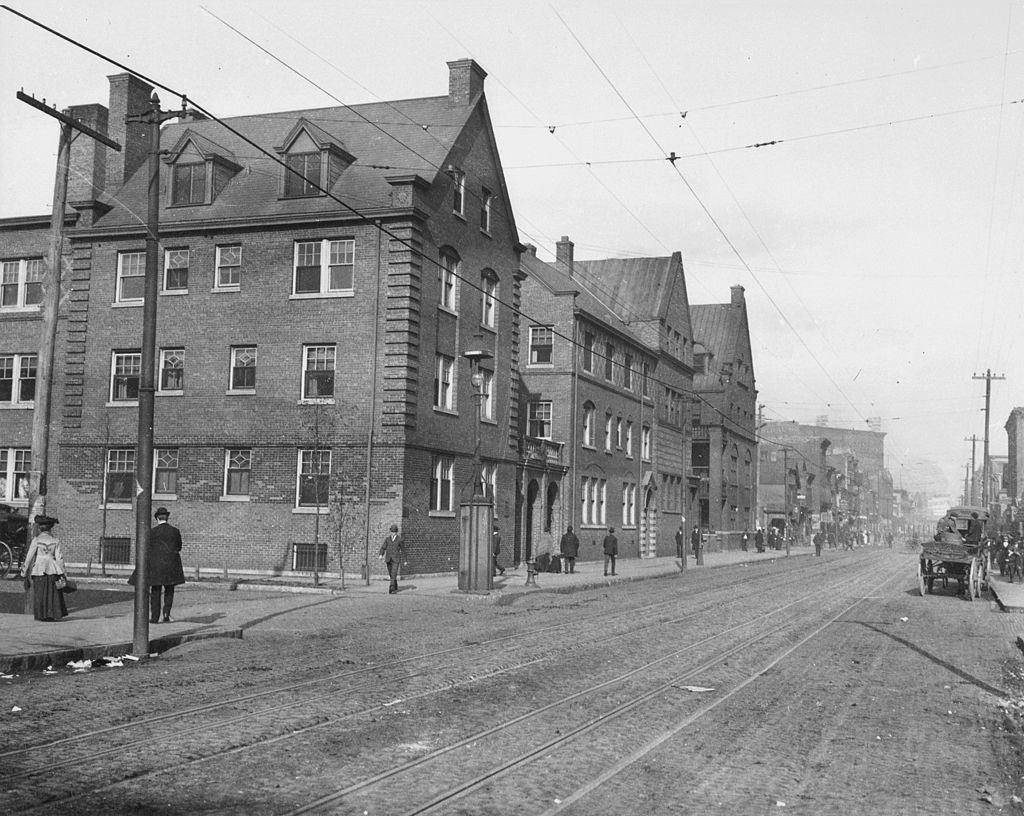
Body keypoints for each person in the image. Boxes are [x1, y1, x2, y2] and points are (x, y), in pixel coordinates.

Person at [20, 515, 67, 622]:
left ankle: (41, 615)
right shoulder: (55, 540)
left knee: (40, 593)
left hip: (39, 569)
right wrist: (63, 573)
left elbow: (29, 557)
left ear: (40, 528)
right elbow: (59, 558)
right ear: (50, 528)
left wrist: (24, 573)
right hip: (52, 568)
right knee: (52, 593)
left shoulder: (36, 540)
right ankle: (51, 614)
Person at [148, 507, 185, 623]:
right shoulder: (175, 531)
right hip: (171, 565)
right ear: (167, 517)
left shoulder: (152, 532)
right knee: (169, 590)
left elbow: (148, 548)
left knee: (155, 591)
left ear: (157, 518)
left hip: (156, 565)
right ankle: (166, 614)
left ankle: (154, 617)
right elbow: (179, 547)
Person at [379, 523, 405, 594]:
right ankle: (395, 584)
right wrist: (381, 554)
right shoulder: (387, 539)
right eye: (392, 532)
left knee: (394, 573)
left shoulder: (400, 539)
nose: (393, 533)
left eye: (394, 532)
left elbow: (403, 550)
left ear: (396, 532)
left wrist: (405, 560)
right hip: (388, 559)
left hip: (396, 559)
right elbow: (383, 547)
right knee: (391, 573)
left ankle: (391, 587)